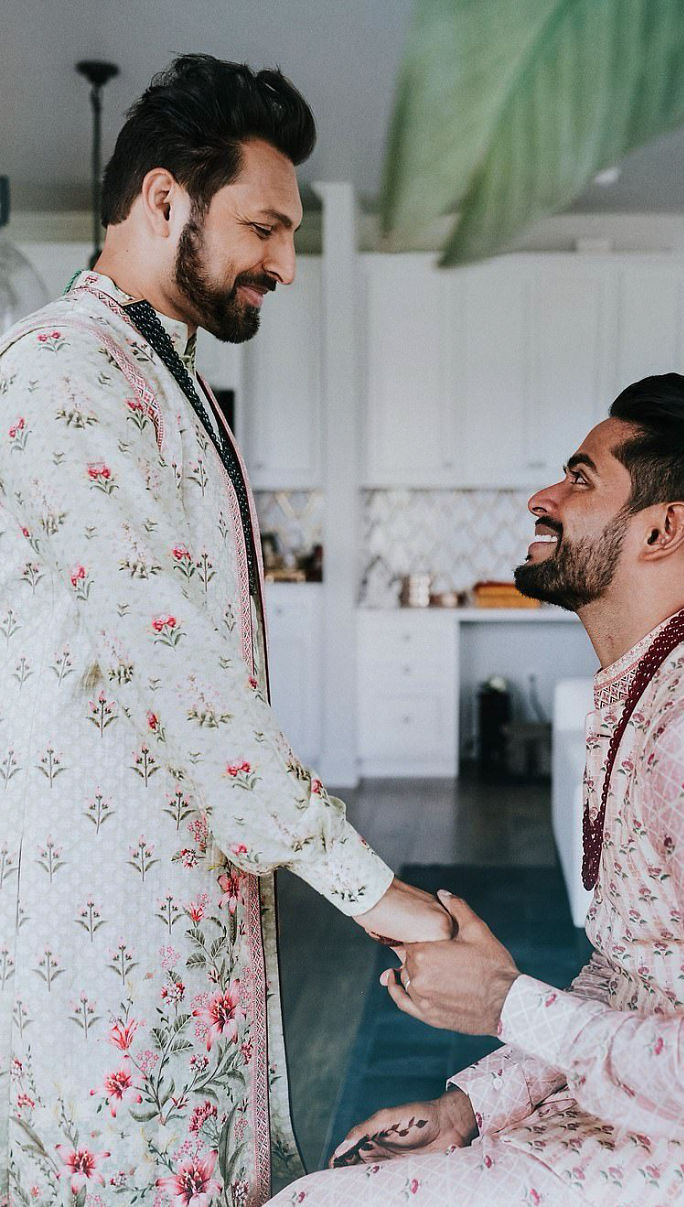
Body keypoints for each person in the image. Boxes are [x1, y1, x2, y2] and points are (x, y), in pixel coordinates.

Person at [0, 54, 450, 1204]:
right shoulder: (63, 370)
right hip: (101, 924)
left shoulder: (173, 378)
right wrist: (375, 892)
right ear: (164, 200)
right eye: (263, 226)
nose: (284, 264)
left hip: (188, 909)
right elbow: (177, 663)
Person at [284, 375, 684, 1206]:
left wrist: (504, 1000)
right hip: (658, 1138)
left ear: (664, 529)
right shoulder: (653, 685)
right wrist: (468, 1105)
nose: (543, 496)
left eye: (580, 476)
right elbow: (640, 975)